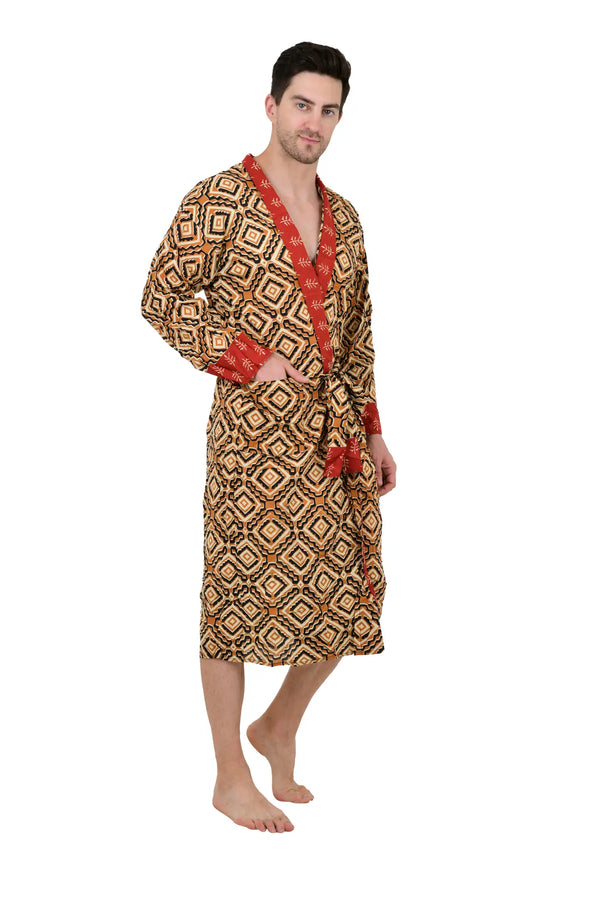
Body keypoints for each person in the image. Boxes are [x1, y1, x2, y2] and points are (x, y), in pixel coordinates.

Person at [141, 40, 397, 833]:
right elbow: (161, 297)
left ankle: (278, 726)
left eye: (328, 110)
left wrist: (375, 429)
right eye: (301, 105)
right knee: (233, 603)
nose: (313, 122)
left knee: (351, 595)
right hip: (251, 447)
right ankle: (230, 775)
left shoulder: (346, 216)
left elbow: (357, 334)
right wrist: (247, 360)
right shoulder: (218, 199)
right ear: (272, 105)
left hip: (335, 440)